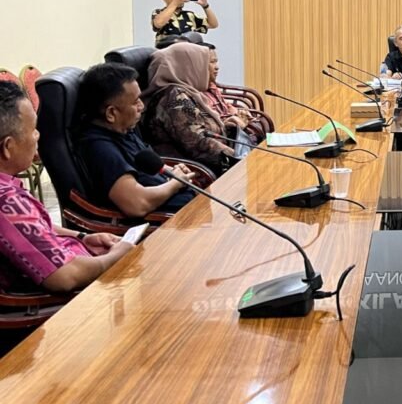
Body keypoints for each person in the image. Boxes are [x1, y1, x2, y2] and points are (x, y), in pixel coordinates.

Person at [0, 82, 134, 293]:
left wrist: (81, 237)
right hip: (59, 303)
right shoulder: (6, 201)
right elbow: (65, 276)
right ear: (8, 147)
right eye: (33, 129)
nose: (38, 136)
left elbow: (30, 228)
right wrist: (118, 255)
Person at [77, 63, 196, 217]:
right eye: (135, 101)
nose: (142, 106)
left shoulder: (125, 130)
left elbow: (150, 170)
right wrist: (176, 183)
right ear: (111, 113)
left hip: (187, 208)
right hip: (168, 222)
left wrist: (174, 172)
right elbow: (137, 204)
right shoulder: (100, 149)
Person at [141, 43, 237, 172]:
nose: (212, 68)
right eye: (202, 64)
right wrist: (240, 158)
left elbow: (203, 129)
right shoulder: (175, 98)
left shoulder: (188, 92)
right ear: (187, 67)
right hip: (193, 170)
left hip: (208, 162)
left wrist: (228, 128)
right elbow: (198, 143)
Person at [200, 46, 267, 144]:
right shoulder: (195, 94)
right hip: (222, 139)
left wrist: (238, 113)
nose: (217, 67)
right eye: (212, 62)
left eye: (216, 61)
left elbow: (226, 106)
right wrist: (227, 123)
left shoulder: (211, 85)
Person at [151, 0, 219, 48]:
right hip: (167, 51)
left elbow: (213, 24)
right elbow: (158, 24)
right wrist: (175, 3)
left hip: (188, 51)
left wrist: (205, 6)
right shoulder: (159, 12)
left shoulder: (189, 15)